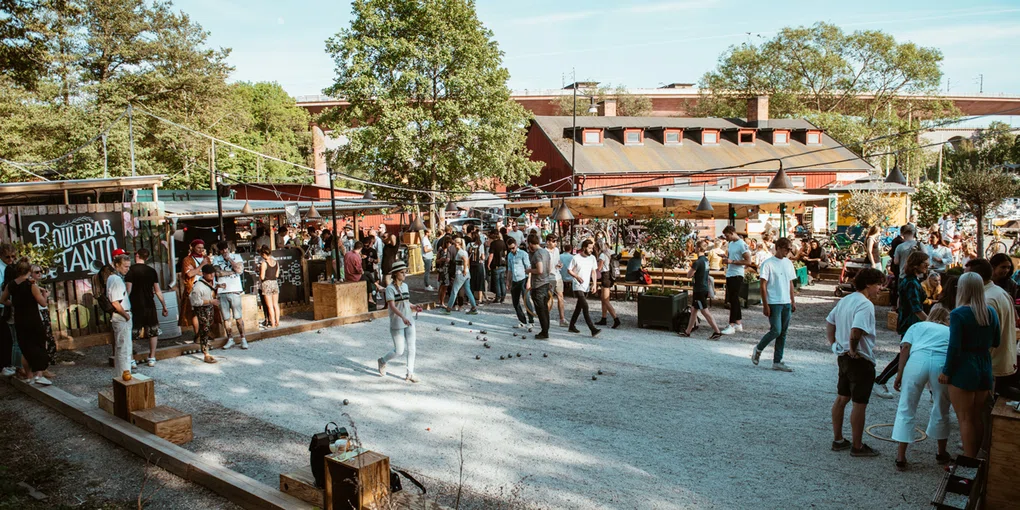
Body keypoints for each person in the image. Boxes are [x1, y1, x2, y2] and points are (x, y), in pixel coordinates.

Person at [826, 267, 886, 458]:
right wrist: (853, 349)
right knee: (859, 403)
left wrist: (834, 344)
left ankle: (838, 439)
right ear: (868, 284)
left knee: (842, 398)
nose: (880, 289)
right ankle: (857, 446)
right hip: (859, 359)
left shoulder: (846, 300)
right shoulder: (865, 304)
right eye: (879, 284)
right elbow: (856, 330)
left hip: (843, 356)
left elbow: (830, 321)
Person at [941, 272, 1000, 457]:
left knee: (965, 419)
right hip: (984, 365)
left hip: (964, 367)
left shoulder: (958, 314)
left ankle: (968, 461)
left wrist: (946, 371)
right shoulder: (990, 312)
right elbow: (996, 341)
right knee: (977, 416)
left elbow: (954, 347)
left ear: (962, 289)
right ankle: (975, 457)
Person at [891, 309, 953, 470]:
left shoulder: (917, 326)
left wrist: (900, 374)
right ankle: (941, 452)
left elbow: (905, 348)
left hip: (917, 361)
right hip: (941, 363)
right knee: (942, 406)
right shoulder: (949, 331)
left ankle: (901, 456)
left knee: (907, 405)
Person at [876, 251, 931, 398]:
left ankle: (883, 380)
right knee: (905, 355)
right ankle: (880, 380)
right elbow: (916, 308)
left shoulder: (910, 280)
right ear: (916, 265)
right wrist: (931, 323)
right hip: (911, 323)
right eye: (925, 264)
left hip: (910, 322)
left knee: (909, 355)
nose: (927, 267)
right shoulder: (911, 282)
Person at [967, 257, 1018, 394]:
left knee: (985, 403)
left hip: (990, 364)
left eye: (966, 277)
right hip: (997, 361)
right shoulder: (997, 292)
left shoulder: (987, 299)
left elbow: (986, 338)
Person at [0, 260, 52, 385]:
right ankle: (39, 375)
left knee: (25, 347)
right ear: (29, 270)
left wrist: (13, 304)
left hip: (19, 320)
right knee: (39, 345)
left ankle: (29, 376)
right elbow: (42, 303)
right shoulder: (31, 285)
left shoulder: (11, 285)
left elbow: (2, 300)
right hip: (33, 319)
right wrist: (45, 294)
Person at [752, 237, 797, 372]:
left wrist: (792, 300)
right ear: (778, 248)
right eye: (786, 249)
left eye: (789, 249)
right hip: (774, 301)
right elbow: (763, 285)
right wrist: (765, 304)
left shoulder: (788, 263)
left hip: (786, 301)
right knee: (776, 330)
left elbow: (790, 282)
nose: (788, 252)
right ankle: (759, 348)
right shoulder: (768, 264)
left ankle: (777, 360)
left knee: (783, 332)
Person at [377, 261, 423, 383]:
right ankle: (382, 361)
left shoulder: (405, 286)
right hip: (397, 321)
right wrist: (402, 317)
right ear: (395, 274)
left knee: (412, 347)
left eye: (405, 272)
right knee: (399, 351)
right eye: (402, 272)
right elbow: (392, 306)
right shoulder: (390, 289)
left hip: (409, 320)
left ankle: (410, 373)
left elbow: (406, 302)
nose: (404, 274)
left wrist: (414, 307)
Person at [125, 249, 168, 367]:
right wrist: (164, 305)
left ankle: (131, 359)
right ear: (147, 258)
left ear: (137, 255)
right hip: (149, 303)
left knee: (133, 331)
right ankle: (152, 357)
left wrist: (123, 304)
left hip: (135, 303)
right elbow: (157, 290)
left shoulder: (130, 270)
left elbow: (128, 290)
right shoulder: (152, 271)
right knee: (153, 331)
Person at [679, 240, 722, 340]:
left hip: (699, 289)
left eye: (695, 247)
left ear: (698, 248)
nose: (694, 248)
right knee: (694, 310)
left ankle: (717, 331)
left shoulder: (697, 262)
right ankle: (687, 331)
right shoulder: (706, 260)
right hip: (704, 287)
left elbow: (689, 275)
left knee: (704, 311)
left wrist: (690, 269)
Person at [213, 241, 247, 350]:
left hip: (235, 290)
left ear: (228, 248)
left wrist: (230, 260)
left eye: (225, 249)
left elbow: (239, 270)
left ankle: (243, 338)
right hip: (222, 291)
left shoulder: (236, 256)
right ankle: (230, 338)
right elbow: (218, 273)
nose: (224, 251)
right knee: (226, 318)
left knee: (238, 317)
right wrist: (232, 272)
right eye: (222, 250)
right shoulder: (216, 259)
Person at [105, 254, 134, 377]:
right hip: (122, 316)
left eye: (128, 266)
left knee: (122, 347)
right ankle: (124, 375)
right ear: (117, 265)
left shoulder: (114, 278)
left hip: (121, 315)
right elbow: (115, 302)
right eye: (125, 266)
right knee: (124, 349)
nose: (127, 269)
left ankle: (121, 375)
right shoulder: (115, 279)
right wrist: (126, 316)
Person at [567, 240, 600, 337]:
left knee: (579, 307)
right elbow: (569, 270)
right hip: (577, 285)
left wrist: (594, 284)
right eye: (589, 248)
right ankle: (592, 329)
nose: (591, 250)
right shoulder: (576, 258)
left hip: (586, 285)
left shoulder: (592, 258)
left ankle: (571, 325)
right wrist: (576, 276)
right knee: (585, 306)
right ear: (584, 247)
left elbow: (593, 272)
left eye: (592, 248)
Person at [721, 226, 750, 335]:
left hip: (737, 274)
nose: (726, 238)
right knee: (733, 299)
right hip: (730, 273)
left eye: (727, 235)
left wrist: (732, 261)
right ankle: (738, 323)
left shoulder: (742, 244)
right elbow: (733, 257)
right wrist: (725, 258)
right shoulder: (731, 244)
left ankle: (732, 324)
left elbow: (748, 261)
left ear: (732, 232)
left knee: (733, 299)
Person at [189, 265, 220, 364]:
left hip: (209, 308)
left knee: (206, 328)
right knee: (204, 329)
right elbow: (195, 302)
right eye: (209, 274)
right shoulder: (198, 286)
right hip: (202, 309)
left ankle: (202, 343)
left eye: (213, 273)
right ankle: (206, 353)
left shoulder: (208, 282)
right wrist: (210, 301)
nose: (212, 275)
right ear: (204, 274)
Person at [179, 239, 209, 338]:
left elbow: (210, 273)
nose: (201, 250)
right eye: (198, 248)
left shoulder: (206, 258)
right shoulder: (187, 259)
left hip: (206, 287)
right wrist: (201, 266)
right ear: (193, 248)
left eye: (202, 248)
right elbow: (189, 274)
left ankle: (206, 333)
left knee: (207, 310)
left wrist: (196, 271)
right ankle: (198, 335)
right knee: (195, 312)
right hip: (193, 287)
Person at [526, 234, 552, 339]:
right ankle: (546, 329)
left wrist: (529, 270)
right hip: (546, 282)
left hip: (538, 284)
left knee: (540, 310)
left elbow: (540, 270)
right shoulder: (546, 252)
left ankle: (544, 332)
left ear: (530, 243)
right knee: (545, 309)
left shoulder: (537, 254)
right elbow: (549, 268)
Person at [443, 237, 478, 315]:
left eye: (455, 242)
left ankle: (448, 309)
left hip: (460, 273)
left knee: (454, 291)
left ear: (458, 243)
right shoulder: (464, 251)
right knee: (468, 290)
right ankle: (474, 308)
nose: (454, 244)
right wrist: (467, 269)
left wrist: (464, 269)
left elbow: (465, 260)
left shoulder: (460, 252)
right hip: (466, 274)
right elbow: (467, 261)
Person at [506, 237, 533, 327]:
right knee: (515, 302)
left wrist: (529, 281)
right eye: (510, 248)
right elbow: (510, 269)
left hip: (523, 279)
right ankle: (522, 320)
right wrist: (508, 281)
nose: (512, 250)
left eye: (513, 248)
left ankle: (531, 321)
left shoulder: (523, 254)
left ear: (516, 245)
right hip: (515, 280)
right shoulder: (509, 255)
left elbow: (528, 268)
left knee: (526, 300)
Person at [595, 240, 620, 329]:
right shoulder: (611, 252)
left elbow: (599, 268)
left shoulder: (602, 255)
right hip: (611, 276)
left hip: (605, 276)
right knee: (604, 298)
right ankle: (603, 318)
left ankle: (616, 319)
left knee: (605, 300)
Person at [0, 243, 17, 377]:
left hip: (6, 305)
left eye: (13, 256)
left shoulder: (10, 267)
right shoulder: (1, 268)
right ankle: (3, 366)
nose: (11, 259)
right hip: (2, 305)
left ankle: (8, 364)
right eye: (7, 257)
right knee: (4, 337)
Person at [544, 235, 567, 327]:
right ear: (548, 242)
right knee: (549, 298)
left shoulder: (557, 250)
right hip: (549, 277)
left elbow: (558, 261)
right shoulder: (544, 252)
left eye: (556, 241)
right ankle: (546, 318)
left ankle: (562, 319)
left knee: (560, 296)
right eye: (553, 241)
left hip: (557, 275)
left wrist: (559, 265)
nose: (555, 243)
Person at [259, 245, 281, 328]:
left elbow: (262, 277)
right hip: (275, 283)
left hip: (267, 284)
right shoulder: (276, 262)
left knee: (270, 306)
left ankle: (272, 323)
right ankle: (277, 321)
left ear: (264, 254)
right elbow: (277, 275)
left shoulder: (264, 263)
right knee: (276, 304)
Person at [487, 230, 507, 304]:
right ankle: (503, 296)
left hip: (496, 264)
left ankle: (498, 297)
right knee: (502, 281)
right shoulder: (502, 242)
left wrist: (488, 264)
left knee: (497, 282)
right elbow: (505, 252)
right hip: (503, 264)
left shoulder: (493, 244)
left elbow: (491, 255)